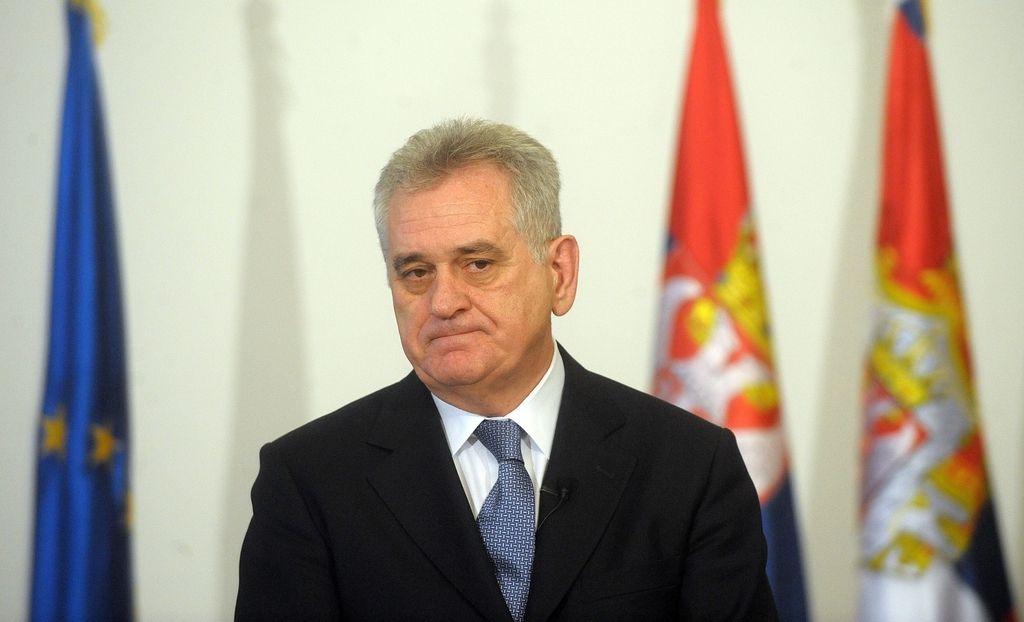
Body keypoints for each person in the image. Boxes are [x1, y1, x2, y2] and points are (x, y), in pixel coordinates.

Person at [236, 118, 778, 621]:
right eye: (416, 272)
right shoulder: (309, 481)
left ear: (559, 273)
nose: (443, 302)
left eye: (478, 264)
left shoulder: (690, 466)